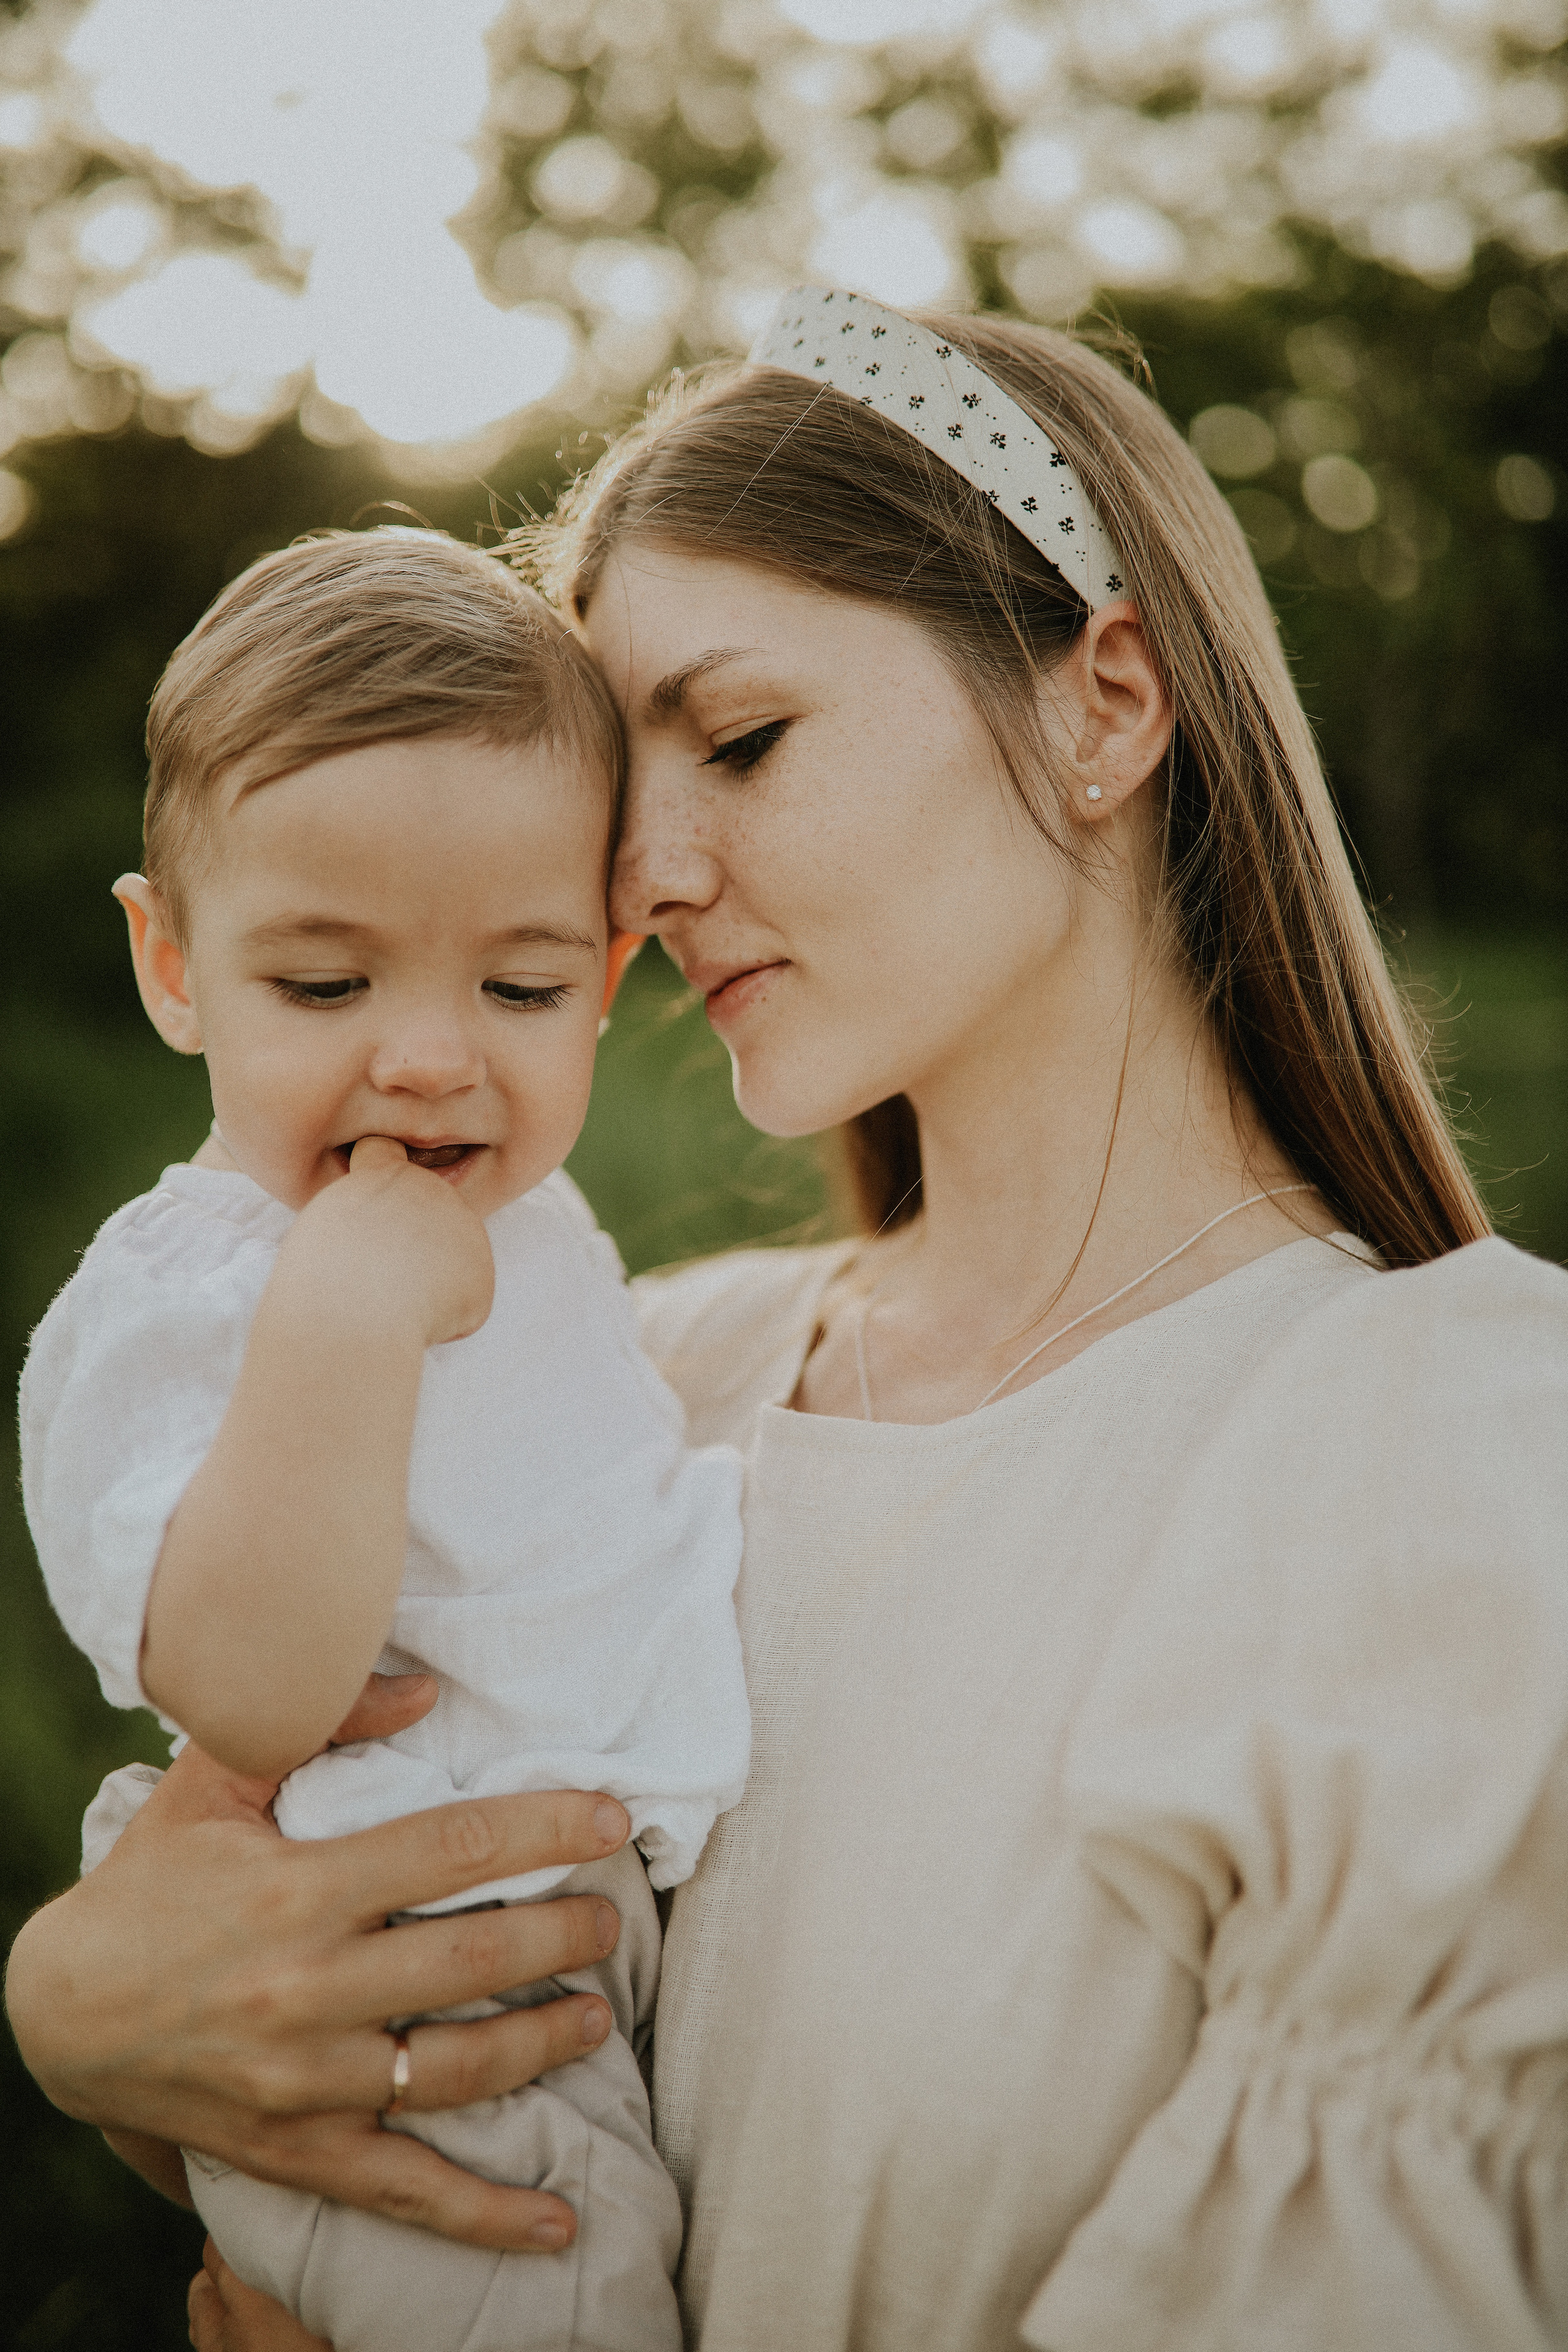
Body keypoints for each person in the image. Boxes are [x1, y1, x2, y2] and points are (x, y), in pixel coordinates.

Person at [9, 291, 1568, 2352]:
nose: (644, 880)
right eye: (617, 806)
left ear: (1106, 704)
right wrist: (84, 2012)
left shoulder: (1459, 1456)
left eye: (741, 742)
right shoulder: (626, 1384)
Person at [15, 530, 750, 2352]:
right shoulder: (193, 1298)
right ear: (175, 968)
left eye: (519, 990)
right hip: (388, 1976)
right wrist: (343, 1308)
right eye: (326, 988)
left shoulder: (537, 1225)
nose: (429, 1059)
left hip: (579, 1930)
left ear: (607, 975)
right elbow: (254, 1693)